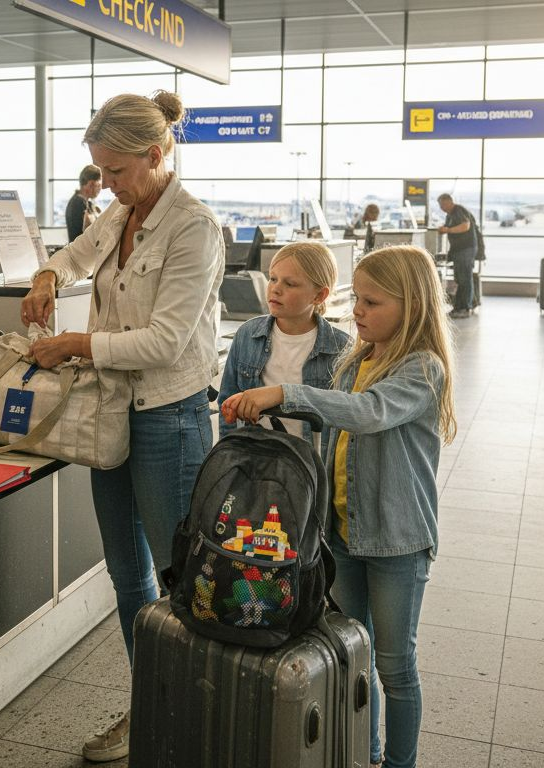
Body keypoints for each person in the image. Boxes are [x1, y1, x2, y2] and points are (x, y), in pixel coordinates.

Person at [19, 90, 224, 762]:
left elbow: (165, 342)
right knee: (127, 577)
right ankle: (151, 705)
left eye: (117, 172)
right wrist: (49, 272)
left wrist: (75, 345)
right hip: (113, 414)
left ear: (156, 156)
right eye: (101, 173)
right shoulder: (121, 211)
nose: (106, 186)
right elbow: (80, 251)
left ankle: (193, 717)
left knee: (177, 582)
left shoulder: (194, 227)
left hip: (170, 417)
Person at [221, 245, 456, 768]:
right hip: (343, 535)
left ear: (411, 305)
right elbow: (334, 427)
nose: (358, 311)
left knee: (395, 667)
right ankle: (363, 752)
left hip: (397, 540)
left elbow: (367, 413)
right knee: (353, 655)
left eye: (372, 302)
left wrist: (284, 393)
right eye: (360, 300)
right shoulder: (358, 358)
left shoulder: (423, 369)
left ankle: (399, 763)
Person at [217, 241, 350, 442]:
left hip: (311, 464)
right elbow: (227, 406)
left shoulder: (341, 348)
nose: (275, 289)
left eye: (290, 284)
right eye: (273, 279)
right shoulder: (247, 335)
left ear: (319, 295)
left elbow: (345, 421)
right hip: (256, 457)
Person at [436, 193, 478, 319]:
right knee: (460, 278)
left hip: (465, 249)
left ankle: (464, 307)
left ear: (449, 202)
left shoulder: (458, 210)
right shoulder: (450, 215)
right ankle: (462, 306)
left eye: (442, 204)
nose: (441, 207)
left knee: (465, 278)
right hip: (459, 250)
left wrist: (448, 230)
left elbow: (465, 226)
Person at [64, 164, 103, 242]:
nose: (100, 189)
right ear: (91, 184)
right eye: (99, 185)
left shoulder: (84, 202)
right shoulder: (78, 203)